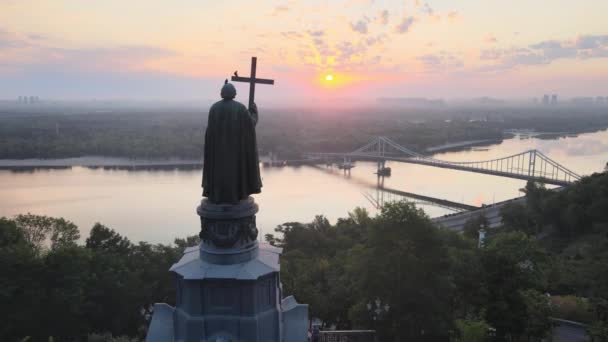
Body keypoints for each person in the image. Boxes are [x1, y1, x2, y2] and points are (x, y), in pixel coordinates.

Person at [202, 81, 262, 204]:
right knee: (235, 172)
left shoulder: (214, 108)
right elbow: (250, 125)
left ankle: (217, 195)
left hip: (218, 152)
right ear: (234, 94)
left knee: (219, 172)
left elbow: (210, 133)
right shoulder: (240, 108)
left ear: (222, 93)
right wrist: (254, 113)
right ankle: (236, 194)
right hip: (235, 152)